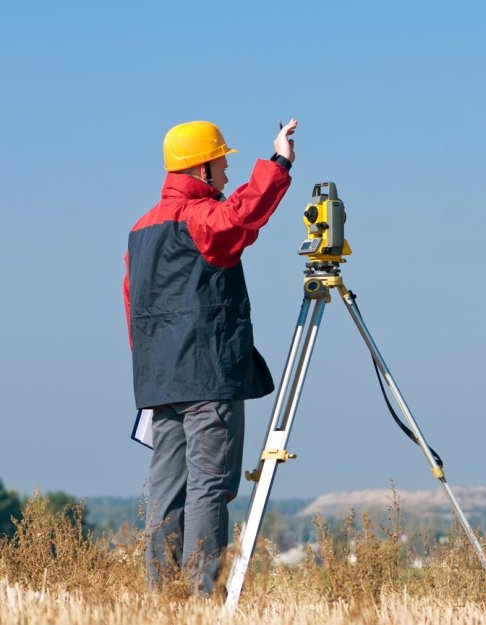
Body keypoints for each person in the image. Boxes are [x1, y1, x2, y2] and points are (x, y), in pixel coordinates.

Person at [123, 118, 298, 594]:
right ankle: (202, 597)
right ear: (201, 168)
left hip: (160, 382)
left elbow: (131, 305)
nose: (225, 172)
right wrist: (278, 163)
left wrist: (154, 369)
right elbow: (238, 218)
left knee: (167, 491)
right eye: (221, 162)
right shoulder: (196, 218)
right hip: (205, 377)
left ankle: (165, 597)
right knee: (208, 487)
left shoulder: (142, 229)